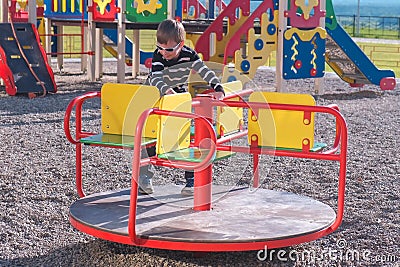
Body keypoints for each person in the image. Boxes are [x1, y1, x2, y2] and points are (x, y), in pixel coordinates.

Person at [139, 18, 225, 196]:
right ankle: (145, 178)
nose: (163, 52)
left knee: (186, 137)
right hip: (156, 96)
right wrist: (168, 91)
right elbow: (155, 78)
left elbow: (204, 70)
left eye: (168, 49)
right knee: (149, 139)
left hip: (178, 96)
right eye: (159, 47)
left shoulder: (190, 55)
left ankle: (191, 182)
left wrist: (218, 88)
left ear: (181, 44)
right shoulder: (158, 55)